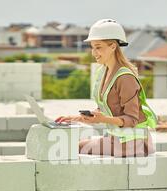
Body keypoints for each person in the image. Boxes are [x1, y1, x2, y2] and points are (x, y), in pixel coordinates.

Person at [55, 19, 158, 157]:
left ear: (113, 46)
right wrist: (75, 118)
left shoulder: (125, 77)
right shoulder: (103, 72)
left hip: (133, 144)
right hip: (116, 140)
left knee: (72, 149)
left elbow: (131, 120)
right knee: (72, 147)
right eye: (92, 47)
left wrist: (103, 119)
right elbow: (107, 109)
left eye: (98, 47)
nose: (93, 52)